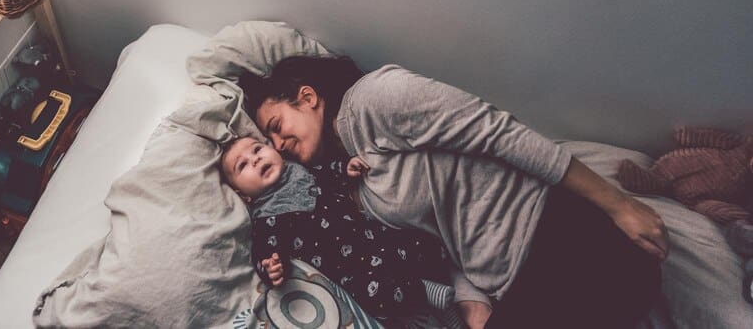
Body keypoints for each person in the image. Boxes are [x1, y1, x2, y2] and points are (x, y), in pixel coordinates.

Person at [239, 56, 667, 329]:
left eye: (277, 127)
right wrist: (472, 303)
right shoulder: (352, 186)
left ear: (307, 98)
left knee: (626, 283)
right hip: (511, 285)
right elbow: (444, 237)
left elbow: (496, 131)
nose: (278, 145)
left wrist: (619, 204)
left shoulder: (376, 99)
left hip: (562, 235)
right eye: (269, 141)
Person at [220, 136, 456, 319]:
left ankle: (446, 304)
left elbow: (329, 171)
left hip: (372, 235)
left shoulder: (301, 170)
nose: (255, 159)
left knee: (419, 243)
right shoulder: (266, 219)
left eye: (257, 149)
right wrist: (271, 267)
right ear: (243, 196)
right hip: (350, 269)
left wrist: (346, 167)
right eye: (243, 165)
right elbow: (265, 251)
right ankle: (426, 292)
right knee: (378, 294)